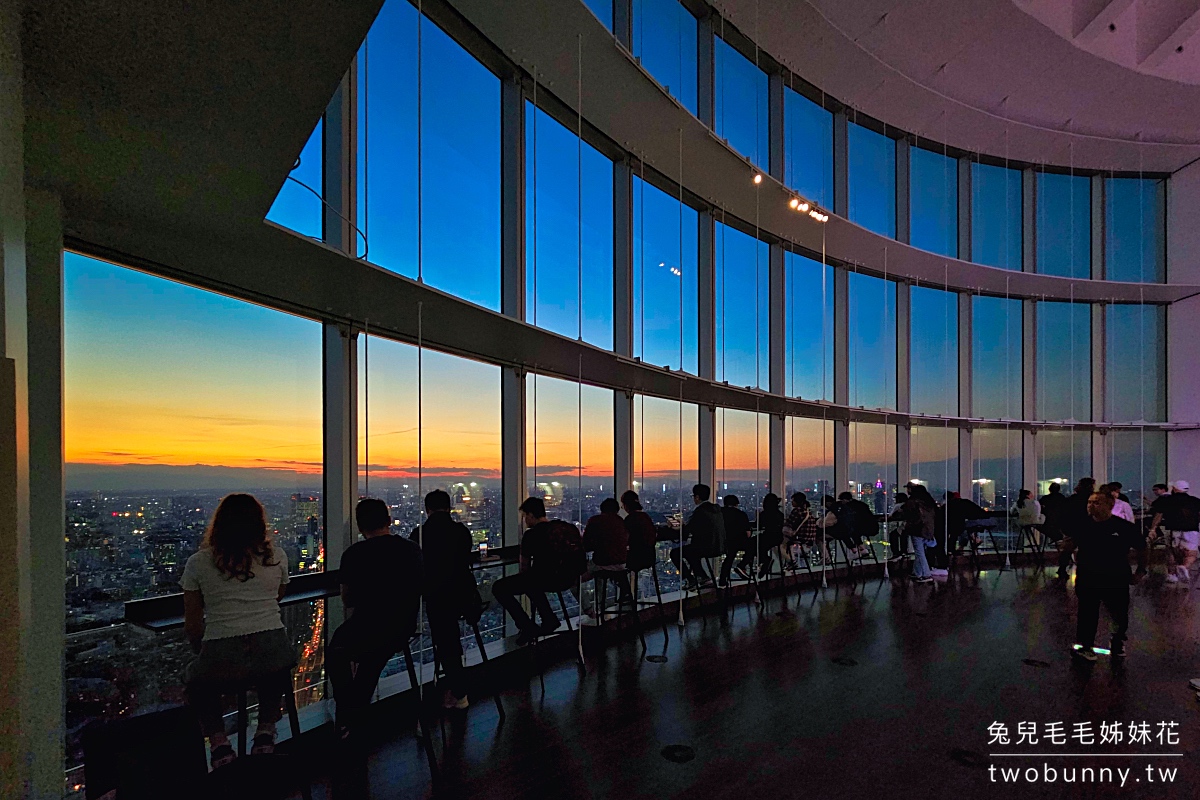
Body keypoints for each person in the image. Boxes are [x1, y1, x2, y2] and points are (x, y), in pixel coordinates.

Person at [183, 494, 297, 768]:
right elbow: (277, 595)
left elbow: (193, 623)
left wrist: (203, 649)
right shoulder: (276, 558)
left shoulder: (199, 563)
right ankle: (266, 730)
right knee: (274, 668)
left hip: (223, 653)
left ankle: (219, 742)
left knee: (195, 681)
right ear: (260, 524)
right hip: (272, 646)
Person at [328, 498, 423, 735]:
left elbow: (347, 599)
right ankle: (353, 715)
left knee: (337, 651)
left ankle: (348, 712)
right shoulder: (412, 549)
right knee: (373, 657)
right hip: (404, 626)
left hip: (367, 627)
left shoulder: (355, 554)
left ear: (360, 527)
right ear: (389, 521)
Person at [411, 490, 481, 711]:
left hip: (438, 597)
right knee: (449, 639)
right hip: (466, 596)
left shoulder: (419, 534)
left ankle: (458, 691)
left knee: (446, 638)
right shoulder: (462, 531)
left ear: (427, 509)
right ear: (449, 508)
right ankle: (455, 687)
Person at [1062, 492, 1146, 660]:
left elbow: (1142, 548)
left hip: (1116, 575)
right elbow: (1070, 545)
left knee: (1119, 611)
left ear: (1110, 505)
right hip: (1088, 575)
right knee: (1087, 611)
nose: (1091, 506)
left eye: (1097, 503)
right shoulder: (1082, 525)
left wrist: (1141, 570)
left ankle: (1117, 641)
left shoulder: (1123, 527)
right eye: (1089, 502)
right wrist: (1068, 548)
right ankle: (1086, 646)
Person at [493, 497, 586, 645]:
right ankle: (547, 618)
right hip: (569, 578)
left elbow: (524, 568)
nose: (524, 521)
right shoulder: (566, 529)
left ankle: (528, 625)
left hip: (545, 581)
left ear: (530, 515)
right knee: (532, 582)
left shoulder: (531, 535)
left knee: (500, 588)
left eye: (524, 517)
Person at [670, 484, 726, 590]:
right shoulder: (717, 510)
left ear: (697, 497)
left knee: (675, 553)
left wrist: (677, 527)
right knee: (692, 554)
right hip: (719, 546)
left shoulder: (700, 511)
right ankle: (703, 577)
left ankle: (690, 580)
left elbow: (687, 531)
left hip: (705, 548)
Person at [583, 498, 631, 605]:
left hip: (602, 563)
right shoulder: (621, 521)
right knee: (599, 570)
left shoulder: (595, 520)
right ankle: (601, 608)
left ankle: (591, 609)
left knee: (575, 579)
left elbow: (586, 544)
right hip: (622, 564)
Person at [1157, 481, 1200, 585]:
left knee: (1171, 552)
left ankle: (1172, 574)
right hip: (1191, 530)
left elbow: (1158, 515)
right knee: (1191, 554)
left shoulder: (1166, 500)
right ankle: (1184, 566)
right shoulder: (1195, 501)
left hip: (1172, 530)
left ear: (1175, 488)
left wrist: (1153, 529)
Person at [1056, 477, 1097, 580]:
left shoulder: (1071, 499)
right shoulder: (1092, 499)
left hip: (1073, 528)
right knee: (1087, 549)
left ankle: (1062, 568)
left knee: (1068, 550)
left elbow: (1063, 514)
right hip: (1087, 528)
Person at [903, 484, 937, 584]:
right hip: (928, 530)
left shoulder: (912, 502)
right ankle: (917, 572)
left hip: (917, 529)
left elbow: (906, 513)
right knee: (920, 552)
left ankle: (926, 575)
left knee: (919, 552)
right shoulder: (928, 502)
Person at [717, 495, 753, 587]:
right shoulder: (741, 514)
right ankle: (741, 566)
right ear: (736, 504)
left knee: (729, 557)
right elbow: (748, 533)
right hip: (738, 542)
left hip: (721, 542)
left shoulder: (719, 514)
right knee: (753, 547)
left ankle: (722, 580)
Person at [621, 490, 658, 576]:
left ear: (626, 505)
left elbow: (625, 539)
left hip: (635, 559)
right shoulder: (646, 517)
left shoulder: (629, 519)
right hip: (650, 558)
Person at [782, 493, 821, 568]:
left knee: (782, 544)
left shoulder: (797, 511)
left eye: (793, 501)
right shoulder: (808, 512)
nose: (792, 502)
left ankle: (791, 561)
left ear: (797, 502)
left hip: (800, 537)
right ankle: (791, 562)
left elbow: (789, 523)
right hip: (809, 539)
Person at [837, 491, 878, 558]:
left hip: (862, 528)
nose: (841, 502)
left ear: (844, 500)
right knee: (853, 532)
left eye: (842, 500)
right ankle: (862, 550)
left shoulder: (848, 507)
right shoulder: (861, 504)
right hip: (872, 527)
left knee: (845, 533)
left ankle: (854, 550)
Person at [1039, 482, 1069, 575]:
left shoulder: (1045, 499)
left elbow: (1040, 509)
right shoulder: (1063, 499)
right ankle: (1059, 540)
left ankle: (1057, 539)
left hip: (1049, 523)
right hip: (1061, 524)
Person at [756, 493, 786, 578]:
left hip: (768, 537)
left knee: (755, 544)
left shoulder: (764, 514)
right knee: (760, 545)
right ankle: (765, 561)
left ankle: (765, 560)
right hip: (778, 538)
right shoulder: (780, 514)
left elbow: (759, 525)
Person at [887, 492, 909, 562]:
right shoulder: (908, 505)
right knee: (904, 537)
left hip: (903, 525)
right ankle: (904, 552)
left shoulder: (898, 506)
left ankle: (896, 554)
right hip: (908, 526)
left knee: (893, 535)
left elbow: (890, 516)